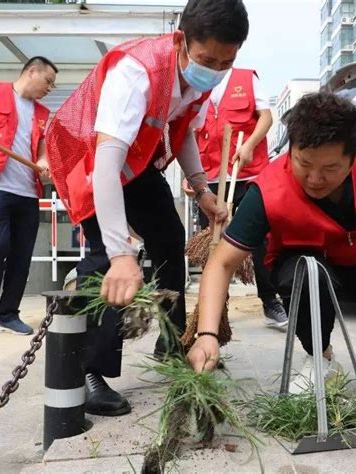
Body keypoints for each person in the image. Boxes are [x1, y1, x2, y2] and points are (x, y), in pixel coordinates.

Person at [46, 0, 249, 416]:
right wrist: (122, 254)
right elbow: (105, 164)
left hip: (133, 161)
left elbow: (184, 130)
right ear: (181, 40)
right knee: (105, 257)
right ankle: (86, 372)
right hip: (86, 156)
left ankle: (173, 340)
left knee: (169, 237)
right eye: (208, 59)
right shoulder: (135, 72)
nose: (214, 69)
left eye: (226, 62)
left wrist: (201, 188)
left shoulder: (202, 75)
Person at [187, 92, 356, 401]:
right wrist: (207, 335)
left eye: (330, 168)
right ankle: (320, 359)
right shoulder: (268, 191)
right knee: (306, 273)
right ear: (291, 148)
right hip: (310, 268)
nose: (315, 179)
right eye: (304, 163)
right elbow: (222, 263)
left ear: (353, 156)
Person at [183, 67, 288, 329]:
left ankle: (270, 300)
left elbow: (266, 117)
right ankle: (213, 309)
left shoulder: (246, 78)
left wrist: (250, 145)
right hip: (211, 178)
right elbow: (189, 132)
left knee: (259, 240)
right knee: (212, 241)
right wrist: (192, 176)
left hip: (248, 173)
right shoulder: (197, 81)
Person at [0, 57, 57, 335]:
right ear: (32, 71)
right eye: (48, 81)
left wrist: (44, 162)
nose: (50, 88)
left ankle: (8, 314)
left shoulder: (43, 114)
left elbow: (43, 150)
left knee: (21, 255)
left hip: (27, 192)